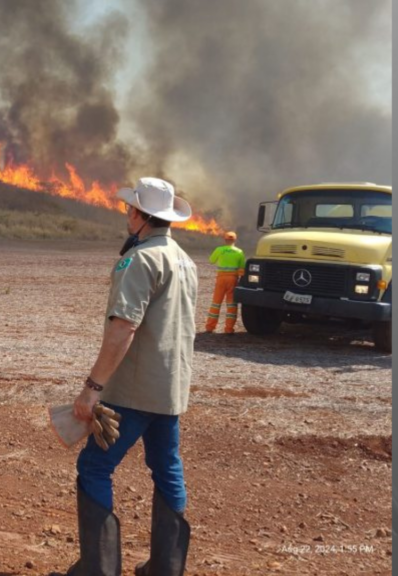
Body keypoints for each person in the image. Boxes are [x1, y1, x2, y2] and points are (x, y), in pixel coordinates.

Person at [66, 177, 197, 576]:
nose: (127, 214)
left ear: (140, 215)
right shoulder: (185, 260)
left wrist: (91, 390)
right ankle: (165, 568)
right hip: (170, 389)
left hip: (134, 391)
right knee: (166, 466)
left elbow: (123, 329)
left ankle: (98, 569)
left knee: (94, 467)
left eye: (130, 208)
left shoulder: (139, 260)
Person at [204, 231, 245, 334]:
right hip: (233, 279)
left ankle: (210, 327)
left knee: (216, 303)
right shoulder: (239, 252)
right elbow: (242, 269)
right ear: (235, 240)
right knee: (231, 304)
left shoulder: (219, 250)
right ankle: (229, 329)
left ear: (225, 239)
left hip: (221, 279)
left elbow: (211, 261)